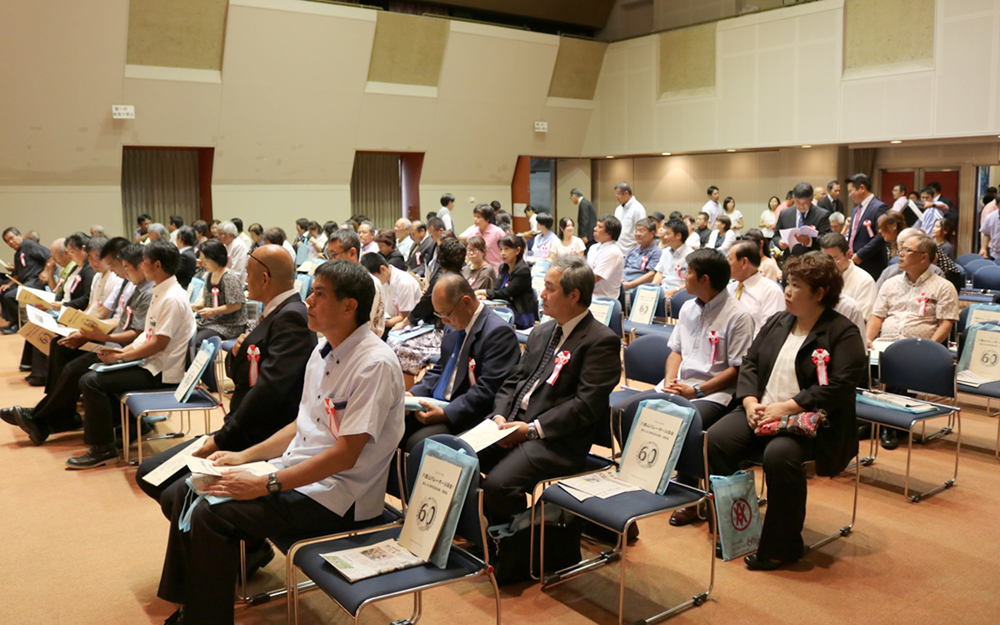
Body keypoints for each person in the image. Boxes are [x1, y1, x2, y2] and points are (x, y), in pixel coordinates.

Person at [154, 260, 404, 625]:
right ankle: (193, 604)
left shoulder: (373, 364)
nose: (308, 301)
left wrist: (265, 484)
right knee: (190, 489)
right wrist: (244, 456)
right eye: (311, 291)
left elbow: (345, 456)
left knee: (212, 514)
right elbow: (302, 424)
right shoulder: (323, 351)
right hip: (299, 474)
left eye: (319, 294)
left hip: (340, 496)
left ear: (349, 306)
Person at [708, 252, 866, 570]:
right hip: (762, 410)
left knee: (779, 456)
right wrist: (749, 401)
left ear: (819, 293)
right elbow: (750, 363)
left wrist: (788, 407)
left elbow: (841, 385)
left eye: (796, 286)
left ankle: (783, 546)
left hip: (810, 421)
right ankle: (735, 526)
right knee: (716, 439)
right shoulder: (778, 321)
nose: (788, 292)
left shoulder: (842, 332)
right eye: (787, 283)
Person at [135, 243, 316, 510]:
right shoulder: (274, 312)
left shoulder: (291, 317)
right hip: (241, 425)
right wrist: (237, 353)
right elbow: (239, 374)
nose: (245, 280)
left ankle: (225, 537)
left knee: (174, 493)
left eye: (249, 274)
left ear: (264, 278)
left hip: (257, 434)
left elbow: (269, 392)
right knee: (149, 474)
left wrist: (222, 439)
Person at [477, 255, 620, 524]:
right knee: (459, 457)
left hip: (556, 440)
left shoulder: (601, 341)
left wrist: (531, 430)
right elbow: (513, 381)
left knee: (498, 485)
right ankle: (484, 531)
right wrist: (499, 416)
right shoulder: (541, 332)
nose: (541, 294)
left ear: (573, 295)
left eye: (550, 288)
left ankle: (514, 540)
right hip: (513, 424)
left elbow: (585, 406)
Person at [622, 248, 754, 527]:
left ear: (705, 279)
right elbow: (676, 351)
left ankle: (691, 494)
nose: (683, 276)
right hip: (679, 385)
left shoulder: (738, 315)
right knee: (627, 410)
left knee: (686, 419)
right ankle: (643, 479)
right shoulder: (688, 308)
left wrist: (698, 391)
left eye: (689, 272)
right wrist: (671, 381)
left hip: (715, 393)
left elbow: (738, 369)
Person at [4, 243, 152, 445]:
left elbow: (137, 332)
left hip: (125, 348)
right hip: (115, 340)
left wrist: (101, 339)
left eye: (117, 265)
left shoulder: (144, 289)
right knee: (61, 346)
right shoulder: (134, 285)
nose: (118, 271)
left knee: (76, 370)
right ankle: (57, 416)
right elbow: (114, 317)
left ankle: (41, 418)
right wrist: (83, 328)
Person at [67, 241, 196, 469]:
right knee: (94, 374)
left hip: (162, 372)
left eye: (144, 262)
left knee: (91, 382)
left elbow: (158, 343)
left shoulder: (172, 297)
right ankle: (125, 429)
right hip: (151, 363)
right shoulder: (161, 291)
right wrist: (121, 351)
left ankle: (103, 449)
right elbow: (147, 334)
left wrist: (121, 358)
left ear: (157, 265)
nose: (141, 266)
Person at [403, 274, 521, 450]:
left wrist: (446, 413)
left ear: (466, 302)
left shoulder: (498, 333)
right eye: (439, 314)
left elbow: (488, 390)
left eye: (446, 314)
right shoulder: (453, 325)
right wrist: (414, 394)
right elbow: (441, 368)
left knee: (418, 443)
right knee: (393, 425)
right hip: (439, 403)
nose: (443, 321)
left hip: (468, 413)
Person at [391, 236, 467, 376]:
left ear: (439, 259)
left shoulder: (442, 281)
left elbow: (425, 305)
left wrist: (404, 322)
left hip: (443, 332)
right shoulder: (460, 278)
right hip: (452, 330)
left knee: (396, 344)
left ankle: (408, 388)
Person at [325, 230, 385, 336]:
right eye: (328, 255)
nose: (330, 260)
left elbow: (363, 327)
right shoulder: (337, 278)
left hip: (363, 341)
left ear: (352, 253)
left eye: (334, 255)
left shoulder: (368, 282)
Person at [191, 239, 247, 344]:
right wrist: (197, 306)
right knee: (187, 333)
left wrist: (212, 311)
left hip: (229, 325)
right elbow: (209, 300)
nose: (203, 263)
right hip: (212, 322)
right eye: (202, 260)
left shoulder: (229, 278)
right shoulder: (210, 274)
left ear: (216, 258)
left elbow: (236, 305)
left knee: (198, 340)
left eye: (205, 260)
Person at [476, 234, 537, 329]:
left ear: (517, 251)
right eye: (501, 249)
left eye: (506, 249)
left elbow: (506, 293)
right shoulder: (503, 268)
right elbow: (496, 290)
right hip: (503, 308)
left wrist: (484, 292)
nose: (503, 253)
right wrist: (486, 296)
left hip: (520, 314)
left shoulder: (523, 270)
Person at [728, 240, 784, 337]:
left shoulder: (770, 291)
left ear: (744, 262)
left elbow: (770, 332)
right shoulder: (731, 287)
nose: (726, 264)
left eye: (729, 259)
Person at [1, 226, 51, 332]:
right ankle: (14, 322)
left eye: (12, 238)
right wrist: (8, 285)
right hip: (25, 283)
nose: (11, 242)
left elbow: (50, 256)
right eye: (7, 241)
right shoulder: (17, 254)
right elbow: (17, 274)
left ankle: (21, 325)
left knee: (10, 296)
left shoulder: (30, 245)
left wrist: (46, 271)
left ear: (20, 235)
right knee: (4, 292)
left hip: (36, 282)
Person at [361, 252, 421, 333]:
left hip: (408, 325)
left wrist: (378, 324)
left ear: (383, 269)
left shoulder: (405, 282)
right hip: (389, 320)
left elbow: (404, 316)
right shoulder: (384, 279)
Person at [820, 233, 877, 319]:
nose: (829, 265)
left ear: (848, 254)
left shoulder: (865, 281)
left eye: (835, 259)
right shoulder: (819, 277)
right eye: (825, 259)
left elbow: (862, 319)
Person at [773, 182, 832, 262]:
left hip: (813, 261)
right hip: (790, 260)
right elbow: (776, 236)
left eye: (805, 202)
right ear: (793, 199)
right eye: (797, 202)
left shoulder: (822, 215)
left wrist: (809, 241)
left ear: (811, 199)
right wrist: (779, 242)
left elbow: (826, 239)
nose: (801, 206)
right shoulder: (785, 214)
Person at [652, 218, 693, 304]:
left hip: (681, 292)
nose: (665, 237)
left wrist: (676, 290)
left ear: (678, 236)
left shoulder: (691, 255)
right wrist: (652, 287)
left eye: (668, 234)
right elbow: (659, 273)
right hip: (664, 290)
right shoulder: (665, 251)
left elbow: (692, 282)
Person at [586, 215, 625, 300]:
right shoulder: (593, 247)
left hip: (603, 299)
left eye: (599, 227)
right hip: (590, 295)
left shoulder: (613, 252)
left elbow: (595, 278)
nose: (595, 229)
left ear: (609, 233)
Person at [621, 217, 662, 293]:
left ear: (652, 233)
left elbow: (651, 275)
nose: (638, 234)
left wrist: (629, 285)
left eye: (642, 231)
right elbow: (622, 268)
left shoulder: (656, 252)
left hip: (637, 288)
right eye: (636, 231)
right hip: (623, 283)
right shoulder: (632, 250)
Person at [459, 204, 504, 271]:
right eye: (474, 216)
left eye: (478, 217)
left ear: (487, 218)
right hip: (477, 270)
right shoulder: (473, 233)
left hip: (495, 269)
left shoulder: (498, 232)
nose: (475, 219)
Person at [614, 182, 647, 254]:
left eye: (618, 194)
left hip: (632, 251)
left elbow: (642, 232)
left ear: (626, 193)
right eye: (616, 194)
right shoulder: (618, 209)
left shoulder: (638, 209)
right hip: (618, 250)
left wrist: (637, 253)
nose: (617, 197)